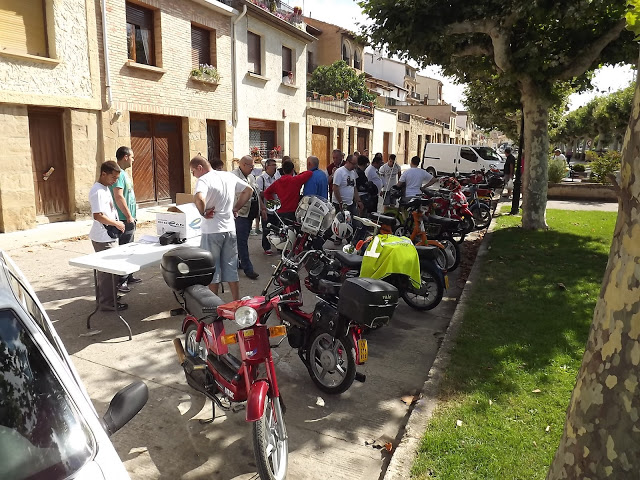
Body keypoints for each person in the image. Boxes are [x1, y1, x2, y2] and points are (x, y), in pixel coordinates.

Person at [191, 155, 253, 300]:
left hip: (212, 230)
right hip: (229, 228)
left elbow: (199, 198)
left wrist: (203, 212)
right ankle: (236, 300)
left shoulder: (204, 180)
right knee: (231, 266)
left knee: (213, 269)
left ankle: (215, 304)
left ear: (200, 168)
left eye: (193, 172)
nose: (193, 175)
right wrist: (236, 208)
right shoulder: (227, 176)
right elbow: (248, 190)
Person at [89, 161, 126, 311]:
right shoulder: (97, 191)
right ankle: (107, 302)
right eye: (113, 177)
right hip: (103, 237)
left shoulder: (105, 188)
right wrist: (116, 223)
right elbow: (98, 215)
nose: (115, 181)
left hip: (109, 235)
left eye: (117, 178)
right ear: (103, 174)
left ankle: (109, 297)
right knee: (107, 272)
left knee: (111, 271)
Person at [109, 146, 141, 294]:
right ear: (126, 157)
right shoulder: (118, 174)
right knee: (124, 250)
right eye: (132, 157)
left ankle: (128, 276)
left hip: (130, 217)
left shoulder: (125, 174)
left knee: (130, 249)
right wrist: (128, 215)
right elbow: (118, 196)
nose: (133, 160)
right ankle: (121, 281)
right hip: (123, 218)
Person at [232, 156, 263, 280]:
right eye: (251, 166)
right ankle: (248, 268)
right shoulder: (233, 177)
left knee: (241, 240)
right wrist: (235, 209)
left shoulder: (250, 177)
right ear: (243, 165)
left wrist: (263, 208)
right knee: (242, 241)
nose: (253, 168)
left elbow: (256, 193)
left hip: (249, 214)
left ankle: (238, 262)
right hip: (240, 214)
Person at [257, 158, 279, 255]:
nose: (275, 167)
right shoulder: (261, 179)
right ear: (267, 167)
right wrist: (262, 208)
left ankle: (278, 245)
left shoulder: (277, 178)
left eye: (275, 165)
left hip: (276, 206)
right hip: (266, 206)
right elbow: (258, 194)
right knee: (266, 228)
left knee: (277, 227)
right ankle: (266, 247)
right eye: (273, 165)